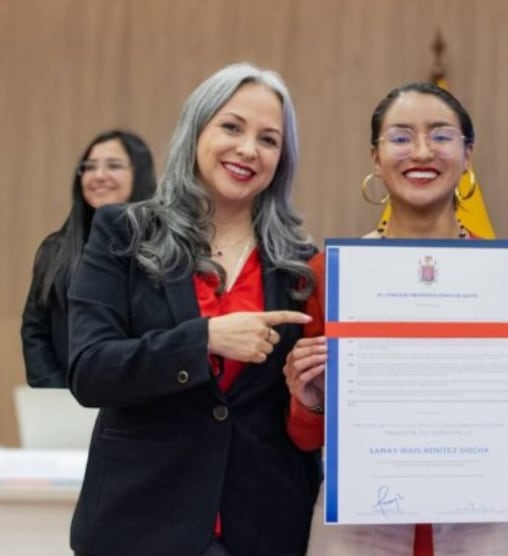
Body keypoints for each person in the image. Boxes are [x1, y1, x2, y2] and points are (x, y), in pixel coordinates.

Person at [281, 81, 508, 556]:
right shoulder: (331, 274)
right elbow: (304, 435)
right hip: (358, 525)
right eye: (401, 137)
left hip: (474, 522)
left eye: (441, 135)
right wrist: (310, 400)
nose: (422, 151)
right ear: (375, 156)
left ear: (468, 154)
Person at [66, 63, 320, 556]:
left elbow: (299, 415)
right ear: (196, 129)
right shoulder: (125, 232)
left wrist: (311, 396)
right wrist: (204, 339)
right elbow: (90, 369)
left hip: (263, 526)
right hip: (140, 523)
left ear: (281, 159)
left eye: (269, 140)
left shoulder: (300, 263)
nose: (248, 149)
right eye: (231, 127)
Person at [21, 130, 156, 388]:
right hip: (68, 402)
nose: (99, 176)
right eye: (89, 167)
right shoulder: (56, 248)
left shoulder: (166, 246)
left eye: (114, 165)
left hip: (143, 403)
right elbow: (35, 330)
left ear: (140, 173)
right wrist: (56, 390)